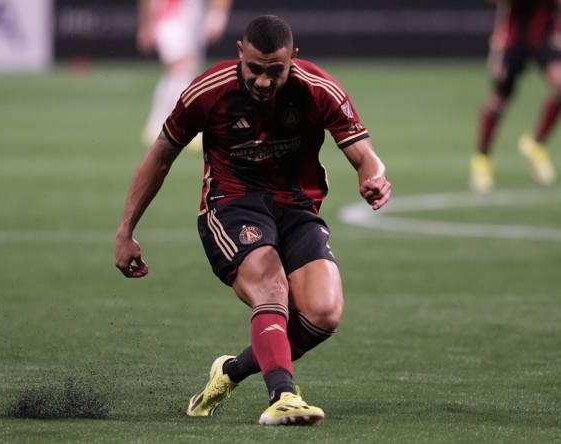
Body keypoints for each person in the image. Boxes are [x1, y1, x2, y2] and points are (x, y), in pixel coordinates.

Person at [115, 15, 391, 426]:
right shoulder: (209, 90)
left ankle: (230, 372)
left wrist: (374, 177)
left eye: (275, 71)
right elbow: (160, 156)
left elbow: (365, 153)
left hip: (296, 208)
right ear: (240, 54)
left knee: (324, 313)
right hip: (231, 205)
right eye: (255, 70)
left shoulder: (318, 89)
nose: (264, 81)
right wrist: (126, 231)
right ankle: (283, 395)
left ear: (292, 60)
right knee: (271, 285)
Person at [470, 0, 561, 192]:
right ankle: (482, 157)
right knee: (499, 98)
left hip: (545, 35)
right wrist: (497, 45)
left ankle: (536, 142)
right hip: (514, 37)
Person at [137, 0, 233, 147]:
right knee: (181, 69)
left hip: (193, 18)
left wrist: (217, 15)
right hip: (169, 17)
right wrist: (147, 23)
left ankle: (158, 125)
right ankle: (179, 127)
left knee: (185, 73)